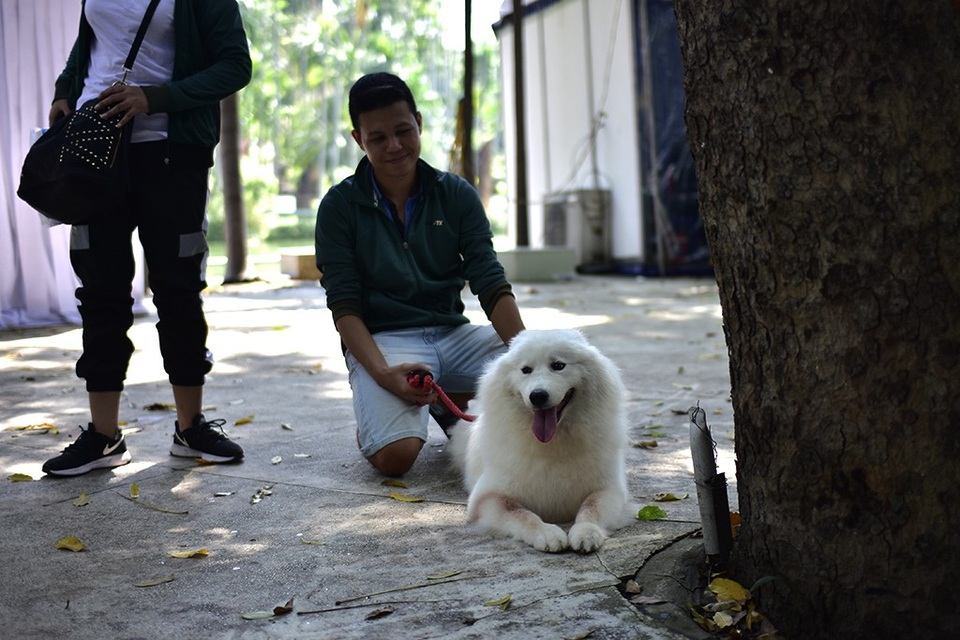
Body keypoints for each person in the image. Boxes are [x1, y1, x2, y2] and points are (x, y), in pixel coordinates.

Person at [40, 0, 251, 477]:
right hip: (95, 153)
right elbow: (90, 45)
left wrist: (154, 97)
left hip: (172, 155)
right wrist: (65, 89)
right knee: (100, 293)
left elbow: (235, 65)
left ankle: (190, 428)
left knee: (178, 290)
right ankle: (103, 436)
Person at [316, 72, 526, 477]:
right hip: (387, 342)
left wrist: (528, 356)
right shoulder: (339, 206)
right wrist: (381, 374)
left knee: (547, 376)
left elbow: (489, 278)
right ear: (359, 140)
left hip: (453, 334)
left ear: (419, 123)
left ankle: (444, 404)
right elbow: (343, 304)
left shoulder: (456, 193)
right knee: (396, 458)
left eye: (403, 131)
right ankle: (384, 417)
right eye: (377, 138)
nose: (394, 146)